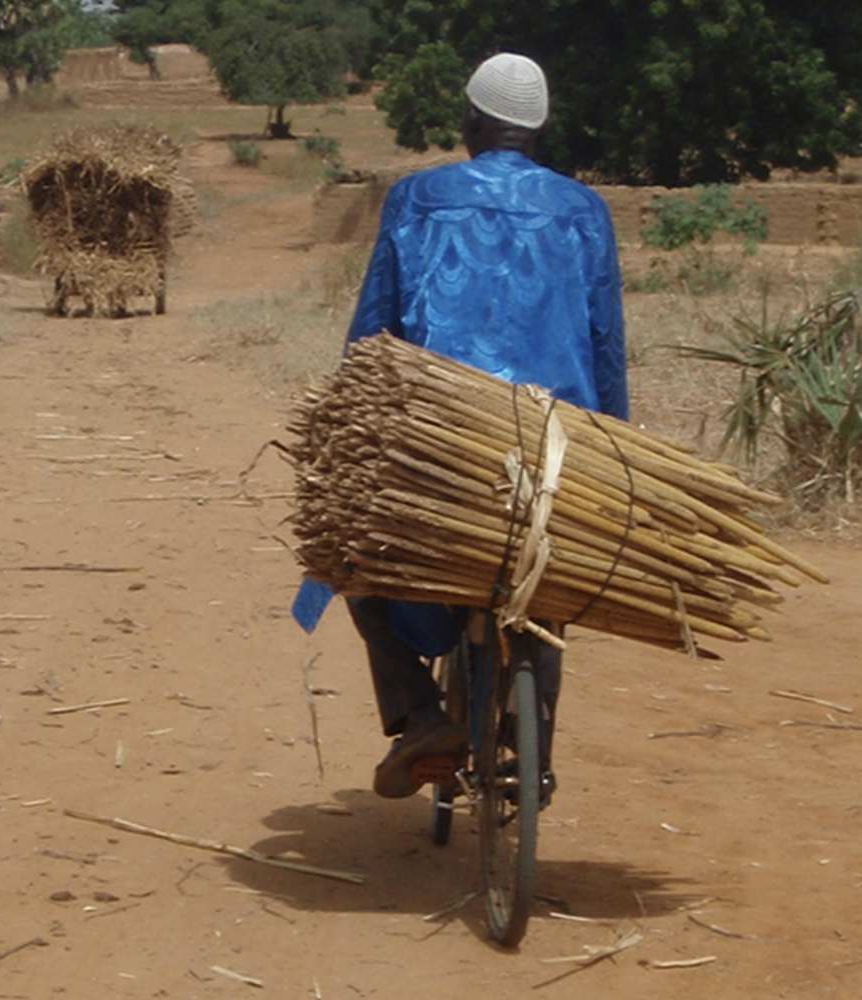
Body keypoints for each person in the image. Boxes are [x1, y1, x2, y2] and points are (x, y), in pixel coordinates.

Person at [336, 52, 628, 799]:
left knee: (356, 568)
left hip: (441, 435)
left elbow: (377, 325)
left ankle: (421, 713)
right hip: (553, 438)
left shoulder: (419, 197)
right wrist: (615, 449)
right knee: (550, 582)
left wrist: (355, 421)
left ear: (469, 124)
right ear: (538, 132)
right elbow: (603, 341)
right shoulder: (583, 210)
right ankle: (537, 751)